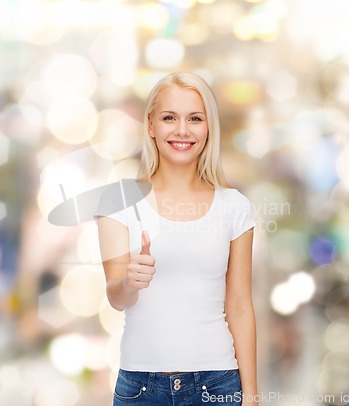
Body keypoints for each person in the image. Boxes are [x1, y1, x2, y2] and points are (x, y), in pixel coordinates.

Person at [94, 72, 258, 406]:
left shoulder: (234, 207)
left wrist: (252, 394)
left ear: (209, 127)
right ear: (151, 125)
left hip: (217, 385)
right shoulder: (117, 200)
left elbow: (240, 305)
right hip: (139, 388)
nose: (182, 130)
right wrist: (129, 280)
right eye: (170, 118)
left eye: (195, 119)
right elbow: (116, 297)